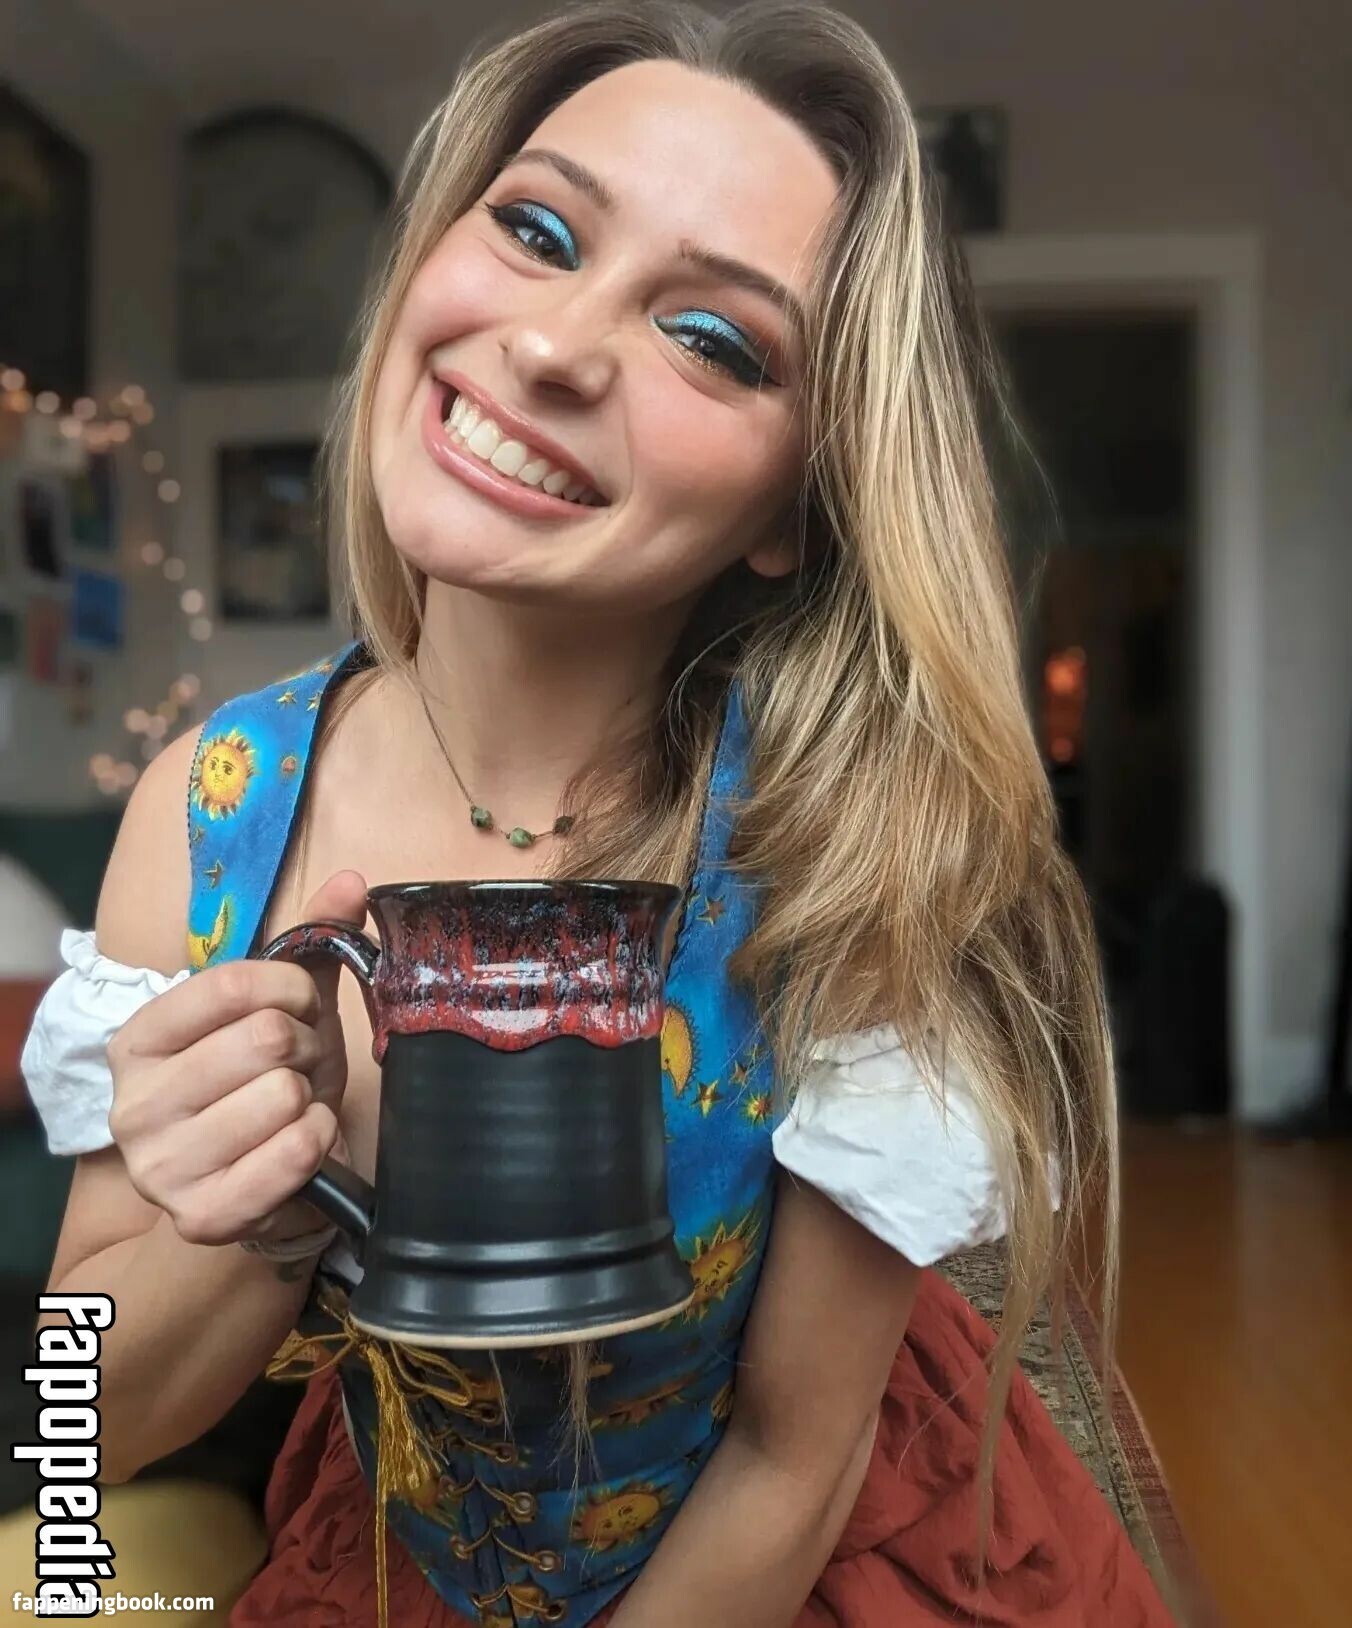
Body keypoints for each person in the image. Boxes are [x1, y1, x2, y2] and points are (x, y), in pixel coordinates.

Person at [21, 3, 1175, 1623]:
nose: (555, 346)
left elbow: (793, 1460)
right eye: (539, 231)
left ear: (793, 507)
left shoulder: (839, 847)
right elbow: (78, 1439)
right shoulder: (209, 815)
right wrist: (260, 1209)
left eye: (714, 339)